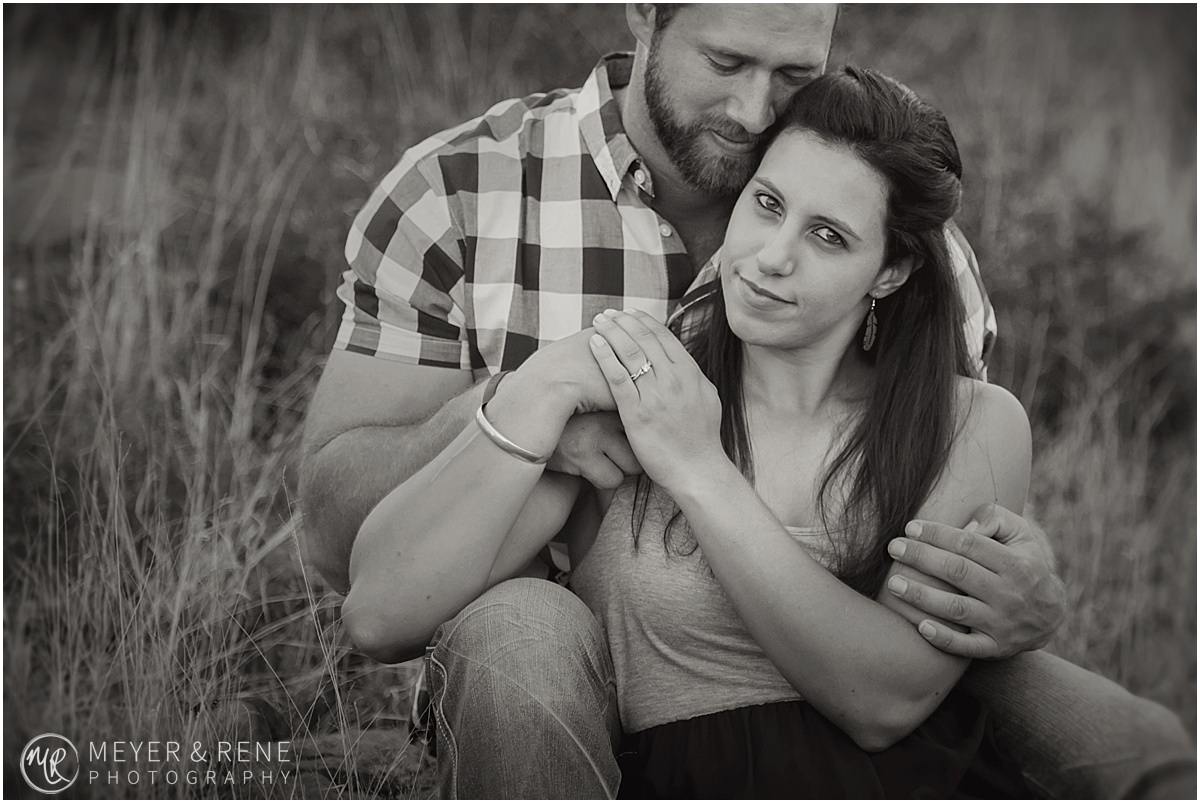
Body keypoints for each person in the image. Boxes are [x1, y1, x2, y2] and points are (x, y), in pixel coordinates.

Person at [300, 4, 1194, 798]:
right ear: (644, 15)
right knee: (521, 635)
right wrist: (535, 394)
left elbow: (911, 651)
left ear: (889, 271)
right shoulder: (509, 239)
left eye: (792, 77)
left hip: (893, 745)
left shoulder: (942, 346)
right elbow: (371, 595)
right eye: (727, 65)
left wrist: (1022, 590)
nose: (756, 112)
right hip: (591, 677)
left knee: (1140, 749)